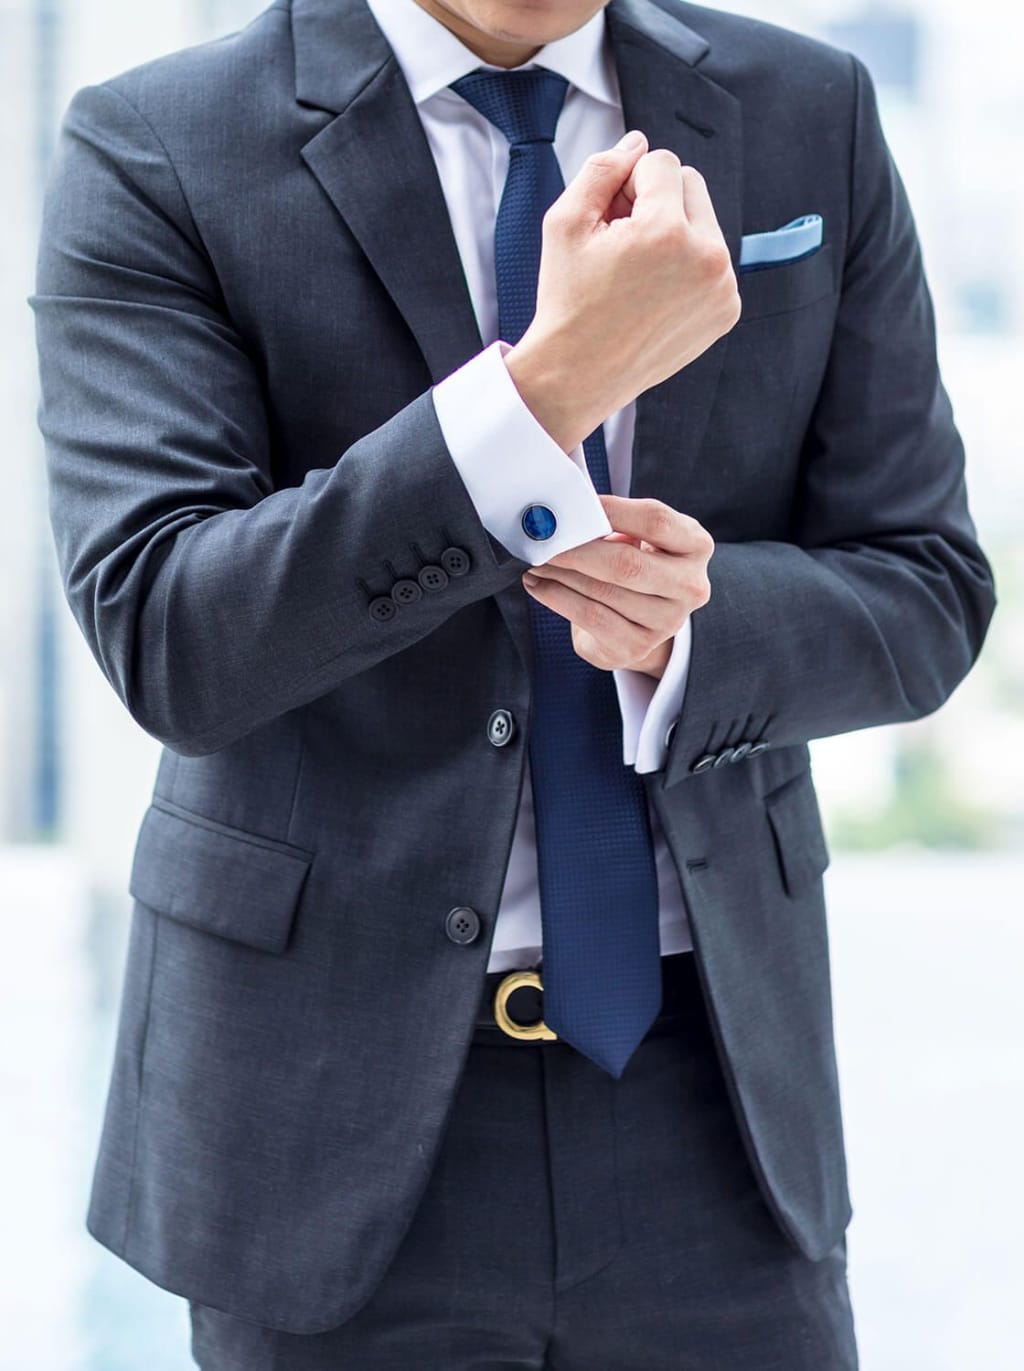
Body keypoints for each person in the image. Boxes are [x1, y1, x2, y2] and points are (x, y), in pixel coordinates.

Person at [29, 0, 995, 1366]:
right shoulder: (155, 144)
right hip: (321, 1118)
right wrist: (541, 397)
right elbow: (171, 635)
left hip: (718, 1107)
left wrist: (689, 634)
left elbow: (927, 586)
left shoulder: (809, 112)